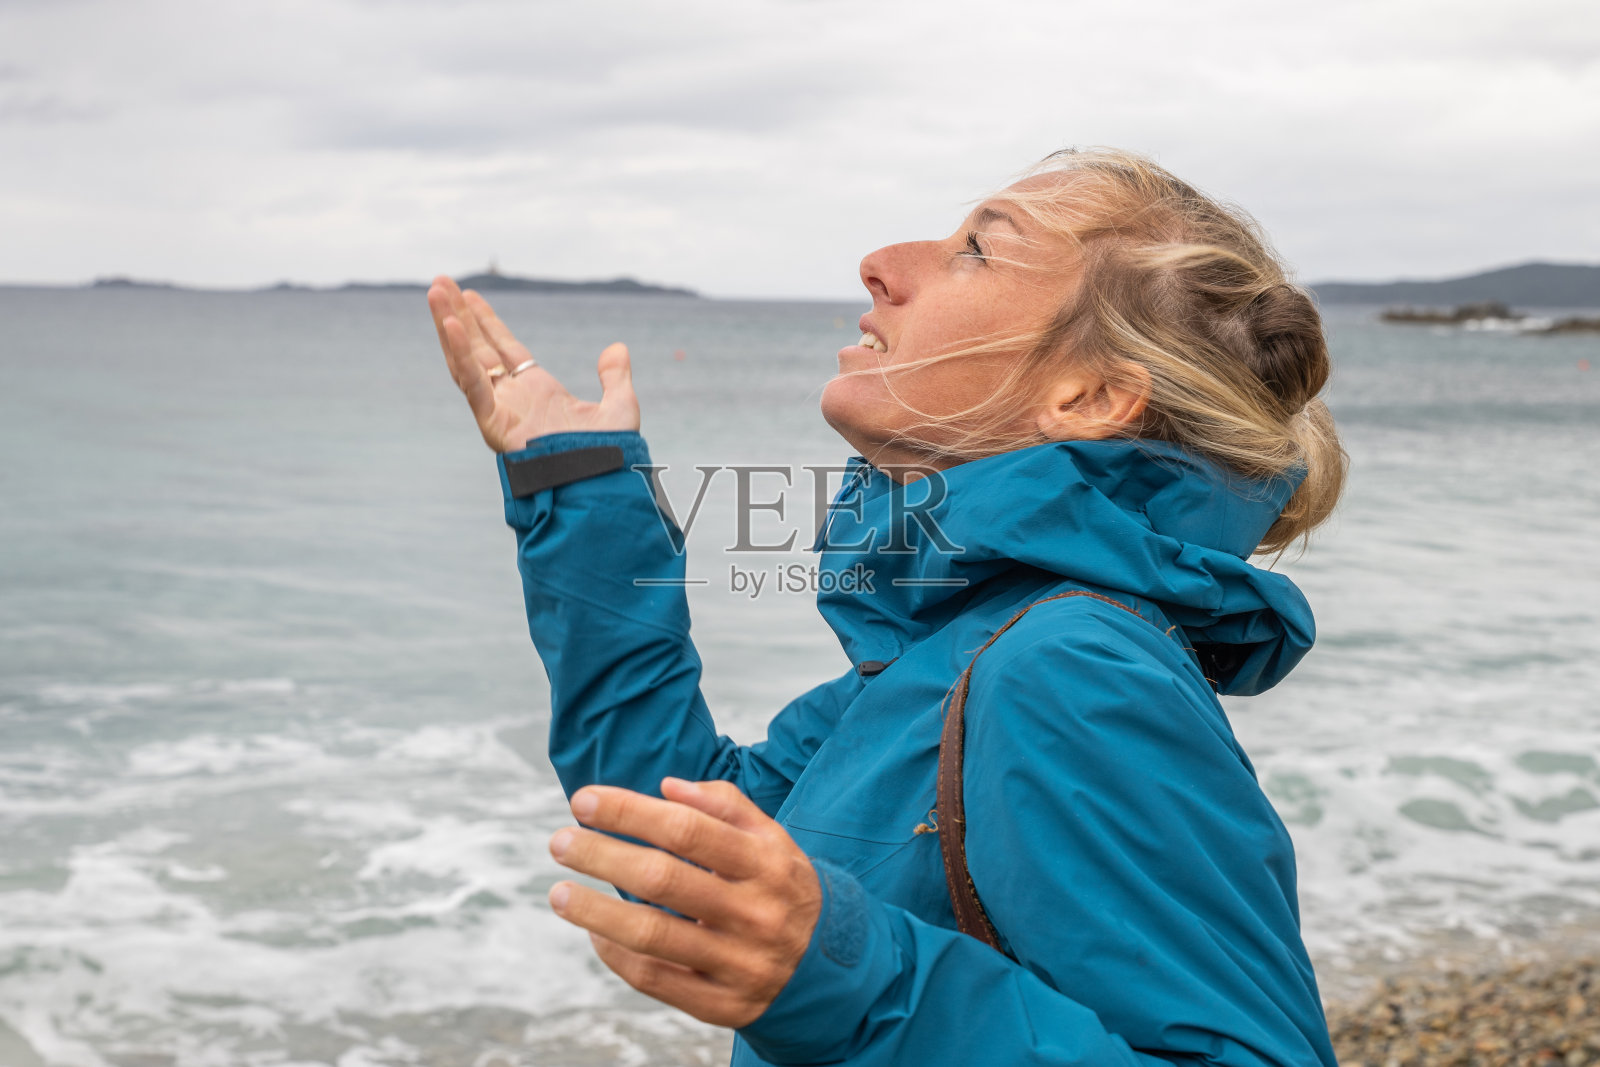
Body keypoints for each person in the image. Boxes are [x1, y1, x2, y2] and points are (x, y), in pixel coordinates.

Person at [426, 146, 1347, 1066]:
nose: (881, 262)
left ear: (1091, 395)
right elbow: (686, 856)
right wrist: (580, 488)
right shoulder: (954, 650)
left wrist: (854, 978)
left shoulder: (1069, 664)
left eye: (978, 251)